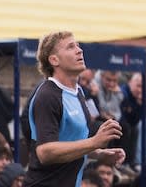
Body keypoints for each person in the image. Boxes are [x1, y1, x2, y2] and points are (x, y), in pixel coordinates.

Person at [23, 31, 126, 187]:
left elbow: (70, 143)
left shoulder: (78, 91)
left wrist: (99, 154)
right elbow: (45, 152)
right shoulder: (48, 96)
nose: (79, 50)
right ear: (54, 60)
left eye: (78, 45)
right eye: (71, 47)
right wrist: (94, 142)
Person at [121, 72, 146, 168]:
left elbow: (138, 119)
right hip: (119, 122)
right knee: (128, 128)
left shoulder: (140, 97)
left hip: (129, 124)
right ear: (130, 83)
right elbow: (123, 116)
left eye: (142, 87)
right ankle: (128, 162)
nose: (140, 90)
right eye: (138, 86)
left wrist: (141, 105)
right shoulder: (124, 92)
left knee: (138, 127)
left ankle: (141, 163)